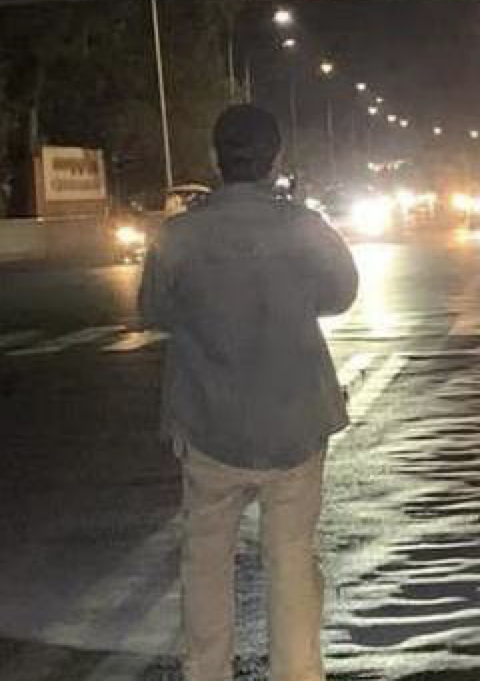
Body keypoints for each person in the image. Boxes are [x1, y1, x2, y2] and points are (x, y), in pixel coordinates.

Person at [138, 104, 358, 681]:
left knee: (205, 562)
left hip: (208, 423)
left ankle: (208, 671)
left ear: (216, 160)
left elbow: (153, 309)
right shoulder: (305, 226)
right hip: (295, 422)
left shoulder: (179, 236)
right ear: (274, 160)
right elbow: (341, 295)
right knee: (291, 561)